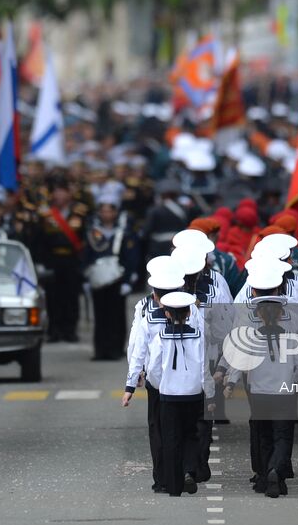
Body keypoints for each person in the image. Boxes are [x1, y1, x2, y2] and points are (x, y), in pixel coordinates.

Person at [222, 260, 298, 498]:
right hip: (283, 393)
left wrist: (230, 383)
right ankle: (275, 471)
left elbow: (239, 363)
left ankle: (263, 477)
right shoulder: (291, 337)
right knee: (283, 436)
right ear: (281, 313)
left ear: (259, 314)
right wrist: (294, 382)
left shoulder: (250, 337)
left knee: (263, 435)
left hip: (259, 393)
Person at [132, 288, 214, 497]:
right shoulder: (198, 336)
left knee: (170, 437)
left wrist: (161, 386)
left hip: (168, 396)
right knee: (190, 435)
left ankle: (173, 484)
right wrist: (210, 393)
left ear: (167, 313)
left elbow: (154, 369)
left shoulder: (161, 337)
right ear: (189, 313)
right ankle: (189, 470)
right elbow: (205, 369)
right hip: (193, 395)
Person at [84, 185, 139, 361]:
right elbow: (87, 254)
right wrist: (85, 276)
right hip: (98, 278)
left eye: (110, 211)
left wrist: (128, 280)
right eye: (103, 211)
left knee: (117, 315)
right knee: (99, 315)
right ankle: (100, 350)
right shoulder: (93, 231)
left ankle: (116, 348)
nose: (106, 214)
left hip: (118, 277)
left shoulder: (124, 230)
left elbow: (131, 255)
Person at [35, 174, 89, 343]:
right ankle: (54, 330)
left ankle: (70, 330)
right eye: (56, 192)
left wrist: (84, 262)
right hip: (53, 259)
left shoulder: (79, 213)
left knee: (71, 297)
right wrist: (41, 262)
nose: (59, 195)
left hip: (72, 260)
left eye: (62, 191)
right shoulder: (46, 214)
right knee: (53, 297)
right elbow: (39, 240)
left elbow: (85, 239)